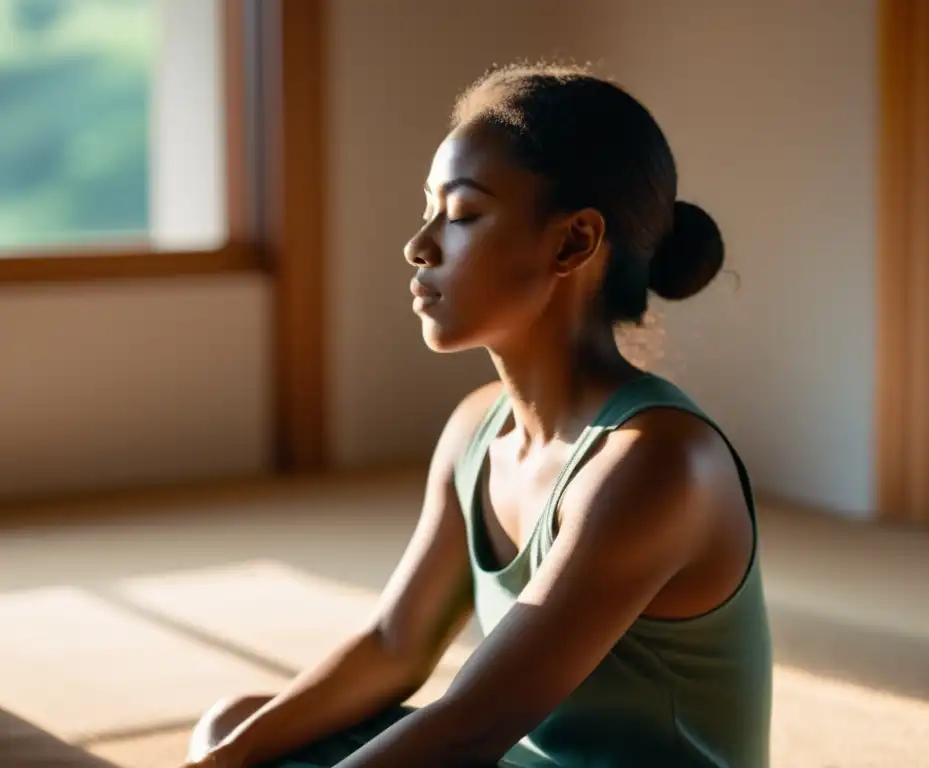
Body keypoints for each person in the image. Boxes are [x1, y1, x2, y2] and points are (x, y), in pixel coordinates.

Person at [184, 62, 772, 768]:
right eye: (427, 210)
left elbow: (471, 724)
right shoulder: (476, 428)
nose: (419, 245)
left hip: (509, 745)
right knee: (235, 728)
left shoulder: (657, 461)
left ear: (572, 243)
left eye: (461, 214)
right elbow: (395, 648)